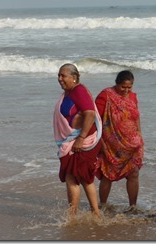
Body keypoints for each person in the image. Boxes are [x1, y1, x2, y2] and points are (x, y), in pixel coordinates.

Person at [53, 63, 102, 216]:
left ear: (74, 78)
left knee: (78, 177)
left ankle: (81, 214)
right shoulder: (69, 93)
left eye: (63, 76)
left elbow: (90, 113)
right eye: (59, 75)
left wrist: (80, 138)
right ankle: (88, 213)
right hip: (72, 141)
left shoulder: (79, 91)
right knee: (76, 177)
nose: (60, 79)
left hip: (84, 141)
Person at [95, 70, 144, 210]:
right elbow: (95, 119)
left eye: (129, 87)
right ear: (116, 84)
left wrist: (140, 135)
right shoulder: (106, 95)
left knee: (134, 173)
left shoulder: (133, 97)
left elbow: (136, 116)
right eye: (123, 87)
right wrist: (101, 143)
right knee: (107, 175)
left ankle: (133, 207)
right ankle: (103, 205)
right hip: (111, 145)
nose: (126, 90)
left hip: (132, 144)